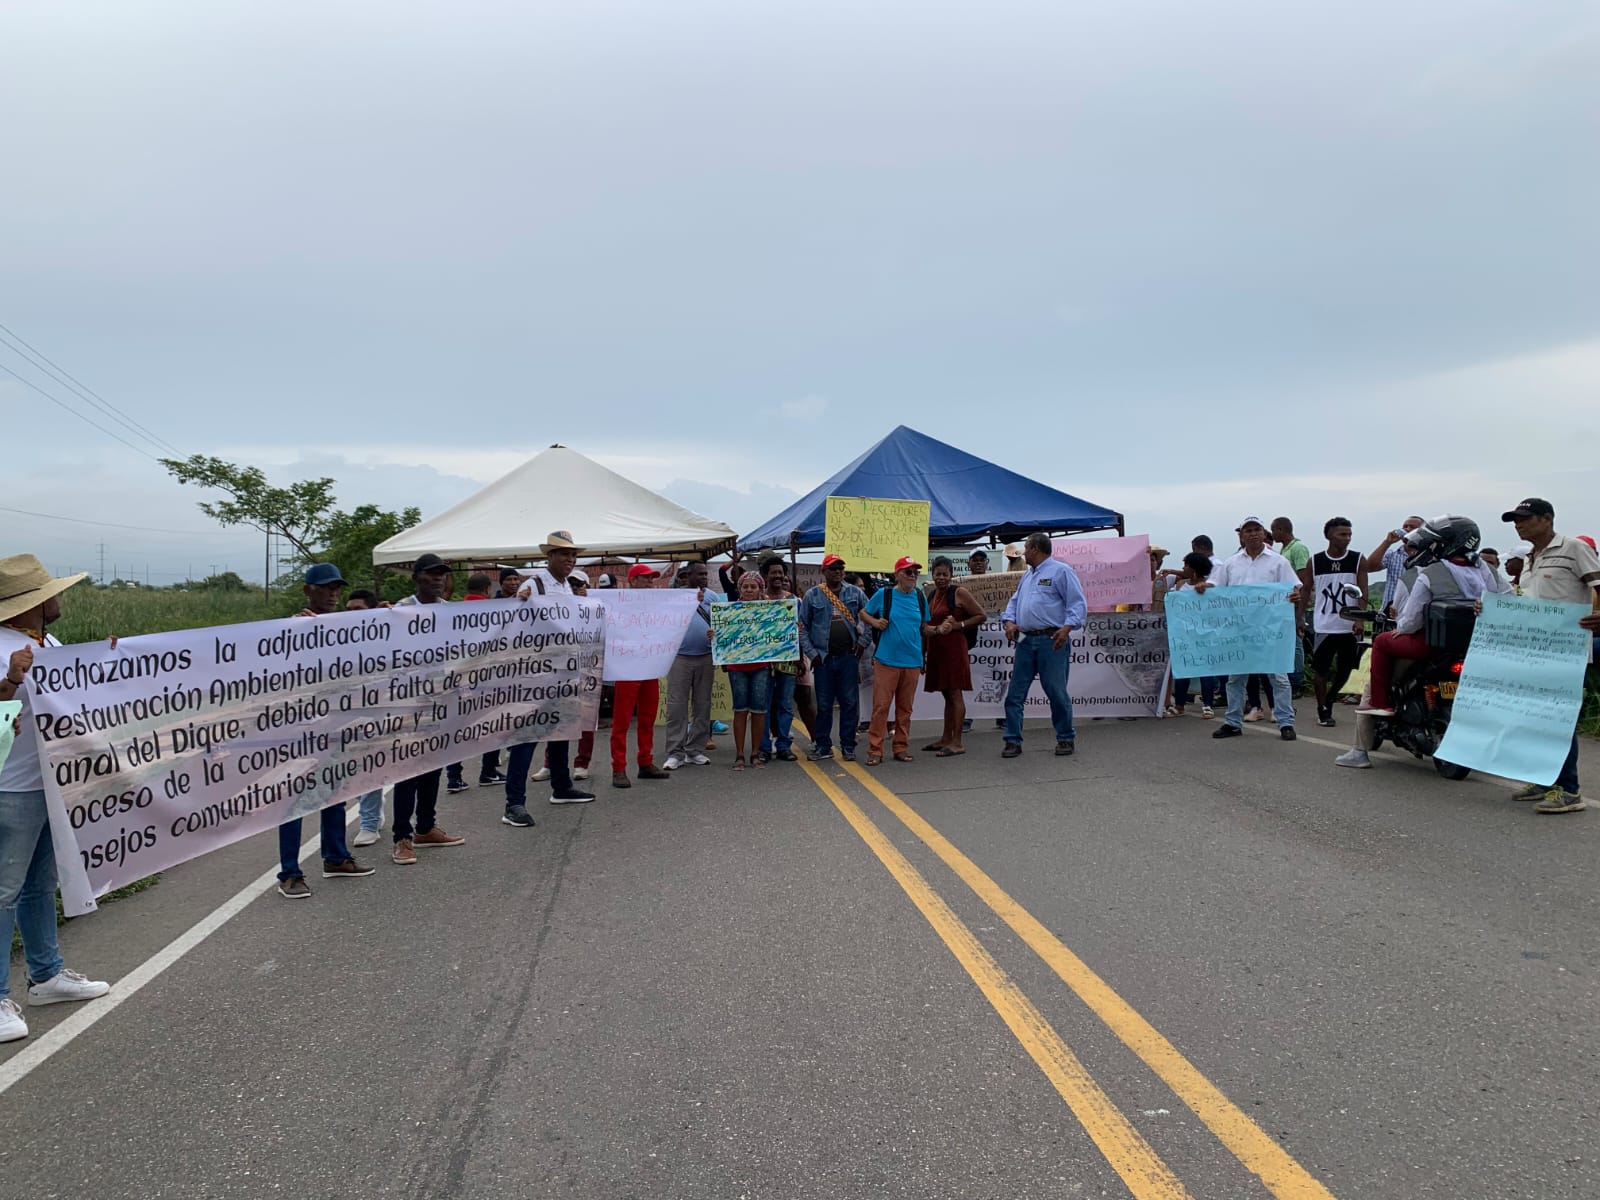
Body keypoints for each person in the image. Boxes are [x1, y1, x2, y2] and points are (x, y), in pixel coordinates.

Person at [0, 555, 111, 1041]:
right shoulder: (6, 648)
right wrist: (9, 682)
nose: (59, 598)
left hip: (48, 784)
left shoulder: (45, 643)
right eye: (53, 592)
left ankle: (45, 975)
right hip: (11, 787)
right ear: (36, 604)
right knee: (3, 893)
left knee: (39, 885)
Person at [273, 564, 375, 897]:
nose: (332, 593)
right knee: (295, 800)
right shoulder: (292, 627)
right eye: (325, 588)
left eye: (336, 588)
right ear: (308, 590)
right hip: (298, 729)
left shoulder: (345, 625)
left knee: (335, 791)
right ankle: (289, 872)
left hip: (335, 725)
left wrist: (389, 617)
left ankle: (335, 857)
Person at [1499, 499, 1600, 813]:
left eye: (1525, 519)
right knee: (1534, 718)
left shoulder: (1572, 549)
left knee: (1558, 719)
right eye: (1515, 520)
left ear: (1547, 519)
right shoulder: (1531, 559)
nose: (1519, 525)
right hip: (1533, 651)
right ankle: (1545, 780)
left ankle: (1569, 791)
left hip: (1566, 651)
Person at [1357, 516, 1508, 719]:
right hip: (1475, 644)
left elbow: (1411, 621)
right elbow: (1508, 601)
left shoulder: (1429, 572)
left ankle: (1380, 703)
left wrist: (1399, 628)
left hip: (1433, 644)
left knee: (1382, 641)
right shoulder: (1486, 570)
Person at [503, 533, 597, 822]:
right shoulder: (535, 585)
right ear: (549, 557)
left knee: (561, 731)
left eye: (573, 556)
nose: (569, 560)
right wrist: (519, 603)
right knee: (527, 736)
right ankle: (513, 804)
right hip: (537, 674)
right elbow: (514, 623)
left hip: (564, 670)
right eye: (563, 554)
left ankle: (561, 786)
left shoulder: (569, 587)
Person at [388, 554, 468, 864]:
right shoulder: (402, 610)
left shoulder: (451, 612)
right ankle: (402, 837)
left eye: (442, 575)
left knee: (434, 763)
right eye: (431, 574)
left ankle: (425, 827)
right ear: (416, 576)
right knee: (407, 769)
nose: (438, 579)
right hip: (411, 703)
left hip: (443, 700)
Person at [1203, 517, 1302, 742]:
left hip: (1270, 629)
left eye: (1257, 529)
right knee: (1235, 678)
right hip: (1240, 630)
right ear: (1241, 535)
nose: (1253, 534)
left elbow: (1294, 588)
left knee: (1278, 677)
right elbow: (1215, 587)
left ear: (1264, 533)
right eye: (1248, 530)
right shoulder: (1231, 563)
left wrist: (1295, 596)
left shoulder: (1278, 562)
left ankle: (1286, 722)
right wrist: (1201, 588)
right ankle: (1232, 722)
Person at [1000, 533, 1089, 758]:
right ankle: (1012, 740)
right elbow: (1014, 602)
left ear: (1036, 549)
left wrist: (1068, 628)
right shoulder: (1027, 577)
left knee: (1056, 691)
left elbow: (1077, 603)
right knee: (1015, 694)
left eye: (1026, 548)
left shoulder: (1061, 571)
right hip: (1025, 639)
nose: (1024, 552)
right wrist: (1009, 621)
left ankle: (1065, 738)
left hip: (1051, 639)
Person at [858, 556, 939, 764]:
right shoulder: (884, 595)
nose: (912, 576)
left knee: (905, 709)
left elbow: (924, 628)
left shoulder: (920, 597)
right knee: (881, 707)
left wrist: (939, 630)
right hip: (886, 660)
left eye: (915, 572)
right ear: (897, 575)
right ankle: (875, 750)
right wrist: (876, 622)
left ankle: (901, 747)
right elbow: (864, 613)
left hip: (912, 661)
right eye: (908, 572)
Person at [798, 555, 872, 761]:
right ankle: (823, 746)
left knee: (849, 703)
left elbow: (870, 618)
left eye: (841, 568)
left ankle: (848, 746)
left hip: (848, 656)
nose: (838, 572)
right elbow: (801, 627)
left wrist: (862, 644)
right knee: (824, 704)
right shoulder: (813, 595)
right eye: (832, 569)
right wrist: (812, 654)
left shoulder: (855, 593)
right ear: (824, 571)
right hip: (824, 658)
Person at [609, 565, 672, 788]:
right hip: (626, 668)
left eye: (651, 580)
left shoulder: (656, 603)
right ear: (633, 581)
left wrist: (694, 598)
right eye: (645, 579)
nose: (650, 583)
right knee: (622, 721)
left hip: (648, 666)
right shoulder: (619, 601)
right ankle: (618, 768)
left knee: (647, 718)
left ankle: (645, 762)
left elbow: (677, 609)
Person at [1303, 517, 1369, 728]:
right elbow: (1306, 590)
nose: (1347, 538)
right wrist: (1299, 617)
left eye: (1349, 534)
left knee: (1346, 669)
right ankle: (1323, 708)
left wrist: (1360, 617)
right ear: (1329, 535)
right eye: (1342, 534)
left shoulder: (1358, 559)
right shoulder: (1315, 561)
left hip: (1349, 625)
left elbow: (1363, 590)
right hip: (1324, 624)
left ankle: (1330, 697)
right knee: (1320, 670)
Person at [446, 573, 506, 794]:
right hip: (486, 679)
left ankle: (454, 777)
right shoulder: (493, 612)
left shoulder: (452, 613)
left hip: (457, 679)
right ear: (487, 590)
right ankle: (488, 771)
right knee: (492, 725)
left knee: (456, 729)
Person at [920, 556, 984, 755]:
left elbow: (980, 615)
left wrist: (959, 625)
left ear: (951, 575)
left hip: (955, 650)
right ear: (932, 575)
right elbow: (924, 626)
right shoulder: (930, 596)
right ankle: (946, 738)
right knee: (946, 693)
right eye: (937, 574)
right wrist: (922, 654)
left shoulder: (959, 592)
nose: (941, 578)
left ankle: (957, 742)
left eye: (945, 574)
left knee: (955, 693)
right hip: (936, 650)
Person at [663, 561, 717, 770]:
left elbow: (721, 623)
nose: (704, 577)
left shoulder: (712, 597)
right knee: (676, 707)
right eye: (700, 574)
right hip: (680, 657)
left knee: (702, 705)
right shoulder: (676, 596)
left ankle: (695, 750)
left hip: (706, 656)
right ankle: (675, 752)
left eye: (706, 574)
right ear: (688, 575)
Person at [344, 588, 388, 845]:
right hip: (347, 713)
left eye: (358, 610)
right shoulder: (338, 637)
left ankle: (369, 823)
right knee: (350, 770)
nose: (351, 615)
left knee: (370, 766)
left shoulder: (386, 635)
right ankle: (369, 800)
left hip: (378, 711)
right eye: (348, 610)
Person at [721, 573, 776, 769]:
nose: (749, 590)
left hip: (761, 666)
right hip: (737, 666)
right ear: (740, 589)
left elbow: (779, 632)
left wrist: (791, 629)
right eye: (746, 586)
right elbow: (721, 634)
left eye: (753, 587)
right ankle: (739, 755)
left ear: (760, 589)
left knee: (759, 710)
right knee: (740, 709)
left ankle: (755, 753)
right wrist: (714, 634)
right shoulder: (729, 612)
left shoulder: (770, 611)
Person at [757, 558, 801, 763]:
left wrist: (800, 658)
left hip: (788, 660)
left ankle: (783, 745)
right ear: (765, 576)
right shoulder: (756, 601)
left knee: (785, 704)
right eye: (773, 573)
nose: (777, 576)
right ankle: (764, 747)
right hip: (763, 662)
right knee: (763, 705)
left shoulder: (794, 601)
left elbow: (800, 632)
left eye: (780, 573)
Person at [1168, 552, 1221, 717]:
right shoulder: (1180, 586)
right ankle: (1179, 705)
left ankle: (1207, 704)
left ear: (1195, 569)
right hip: (1185, 635)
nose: (1183, 568)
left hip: (1205, 636)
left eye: (1186, 565)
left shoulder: (1210, 588)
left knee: (1206, 671)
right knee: (1184, 670)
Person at [1271, 518, 1312, 695]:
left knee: (1296, 642)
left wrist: (1300, 606)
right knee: (1287, 641)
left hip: (1296, 602)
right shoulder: (1285, 549)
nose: (1272, 534)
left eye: (1274, 530)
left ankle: (1297, 681)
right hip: (1284, 602)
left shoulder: (1298, 548)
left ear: (1281, 529)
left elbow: (1303, 579)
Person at [1366, 515, 1426, 618]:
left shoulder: (1428, 557)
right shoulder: (1392, 555)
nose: (1407, 529)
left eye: (1412, 527)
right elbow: (1369, 567)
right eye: (1405, 526)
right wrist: (1387, 542)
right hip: (1389, 614)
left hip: (1416, 615)